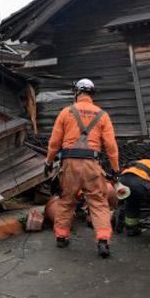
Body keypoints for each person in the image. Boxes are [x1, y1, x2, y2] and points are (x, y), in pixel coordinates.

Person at [45, 78, 119, 258]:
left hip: (69, 163)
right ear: (92, 93)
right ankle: (103, 240)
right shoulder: (102, 115)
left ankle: (61, 237)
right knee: (98, 203)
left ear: (76, 92)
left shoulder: (66, 112)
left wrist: (48, 162)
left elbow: (54, 142)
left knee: (66, 200)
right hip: (92, 164)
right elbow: (111, 146)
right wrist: (116, 169)